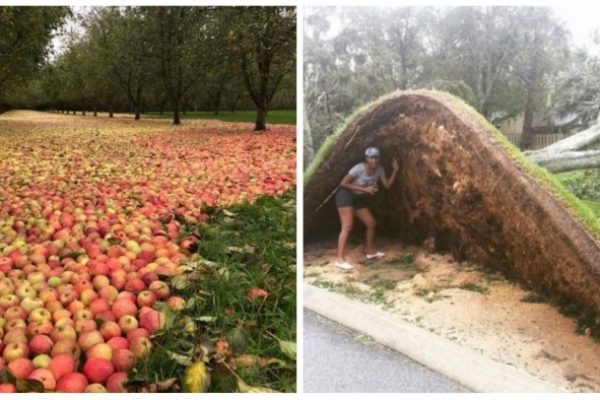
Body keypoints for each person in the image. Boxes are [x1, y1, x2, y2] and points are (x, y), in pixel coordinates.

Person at [333, 146, 399, 270]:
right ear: (366, 158)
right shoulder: (358, 168)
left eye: (376, 158)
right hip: (345, 196)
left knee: (371, 223)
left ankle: (370, 252)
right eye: (371, 158)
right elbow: (343, 183)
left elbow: (387, 185)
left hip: (357, 199)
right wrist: (365, 189)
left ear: (379, 159)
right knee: (347, 226)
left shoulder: (379, 169)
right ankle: (339, 259)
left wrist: (395, 171)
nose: (374, 161)